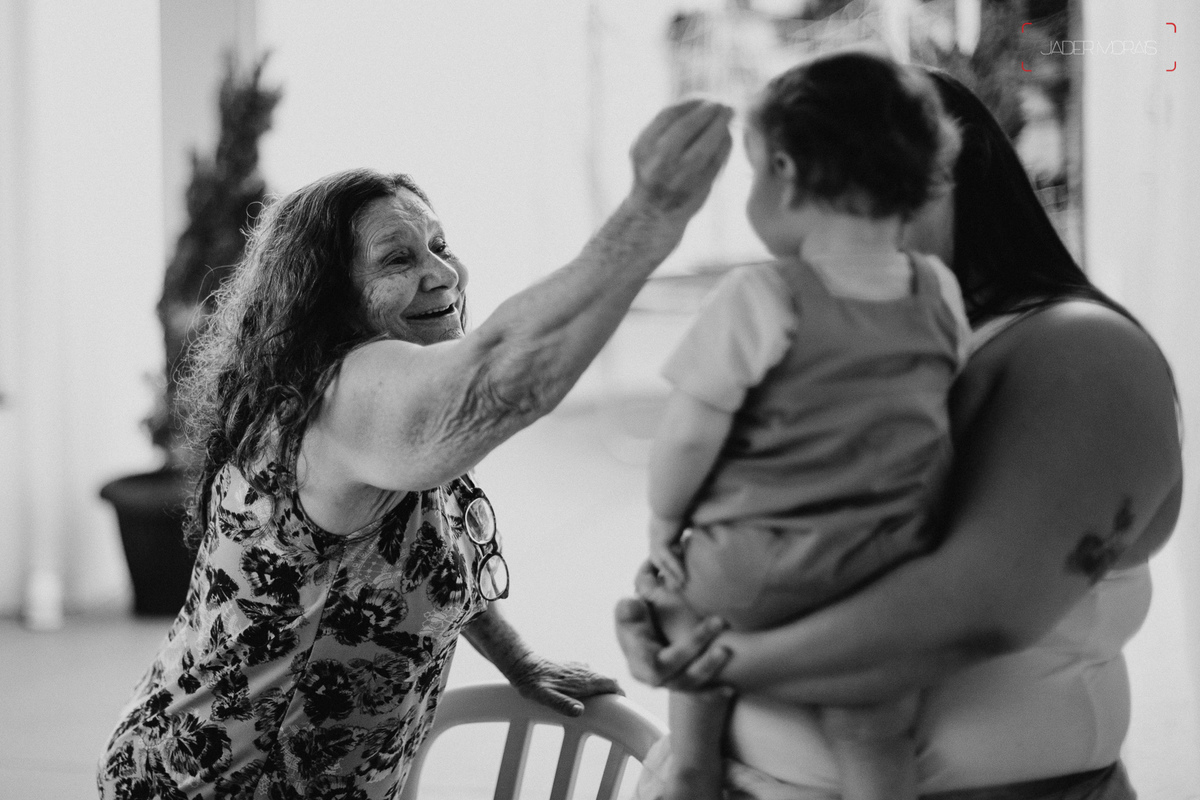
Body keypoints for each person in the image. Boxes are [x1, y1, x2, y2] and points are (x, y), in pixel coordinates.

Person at [97, 97, 734, 799]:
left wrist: (514, 655)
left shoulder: (368, 404)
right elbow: (506, 380)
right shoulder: (346, 399)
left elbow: (409, 555)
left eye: (440, 245)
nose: (443, 274)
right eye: (398, 259)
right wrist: (651, 215)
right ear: (329, 297)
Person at [617, 68, 1182, 800]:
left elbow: (965, 611)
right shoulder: (803, 325)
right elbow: (753, 509)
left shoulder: (1080, 352)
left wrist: (712, 657)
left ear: (942, 176)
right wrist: (666, 611)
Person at [643, 51, 966, 800]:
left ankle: (693, 768)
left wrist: (665, 520)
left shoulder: (762, 295)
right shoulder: (937, 291)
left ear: (783, 171)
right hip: (884, 580)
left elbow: (689, 434)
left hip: (753, 572)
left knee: (673, 603)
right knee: (876, 730)